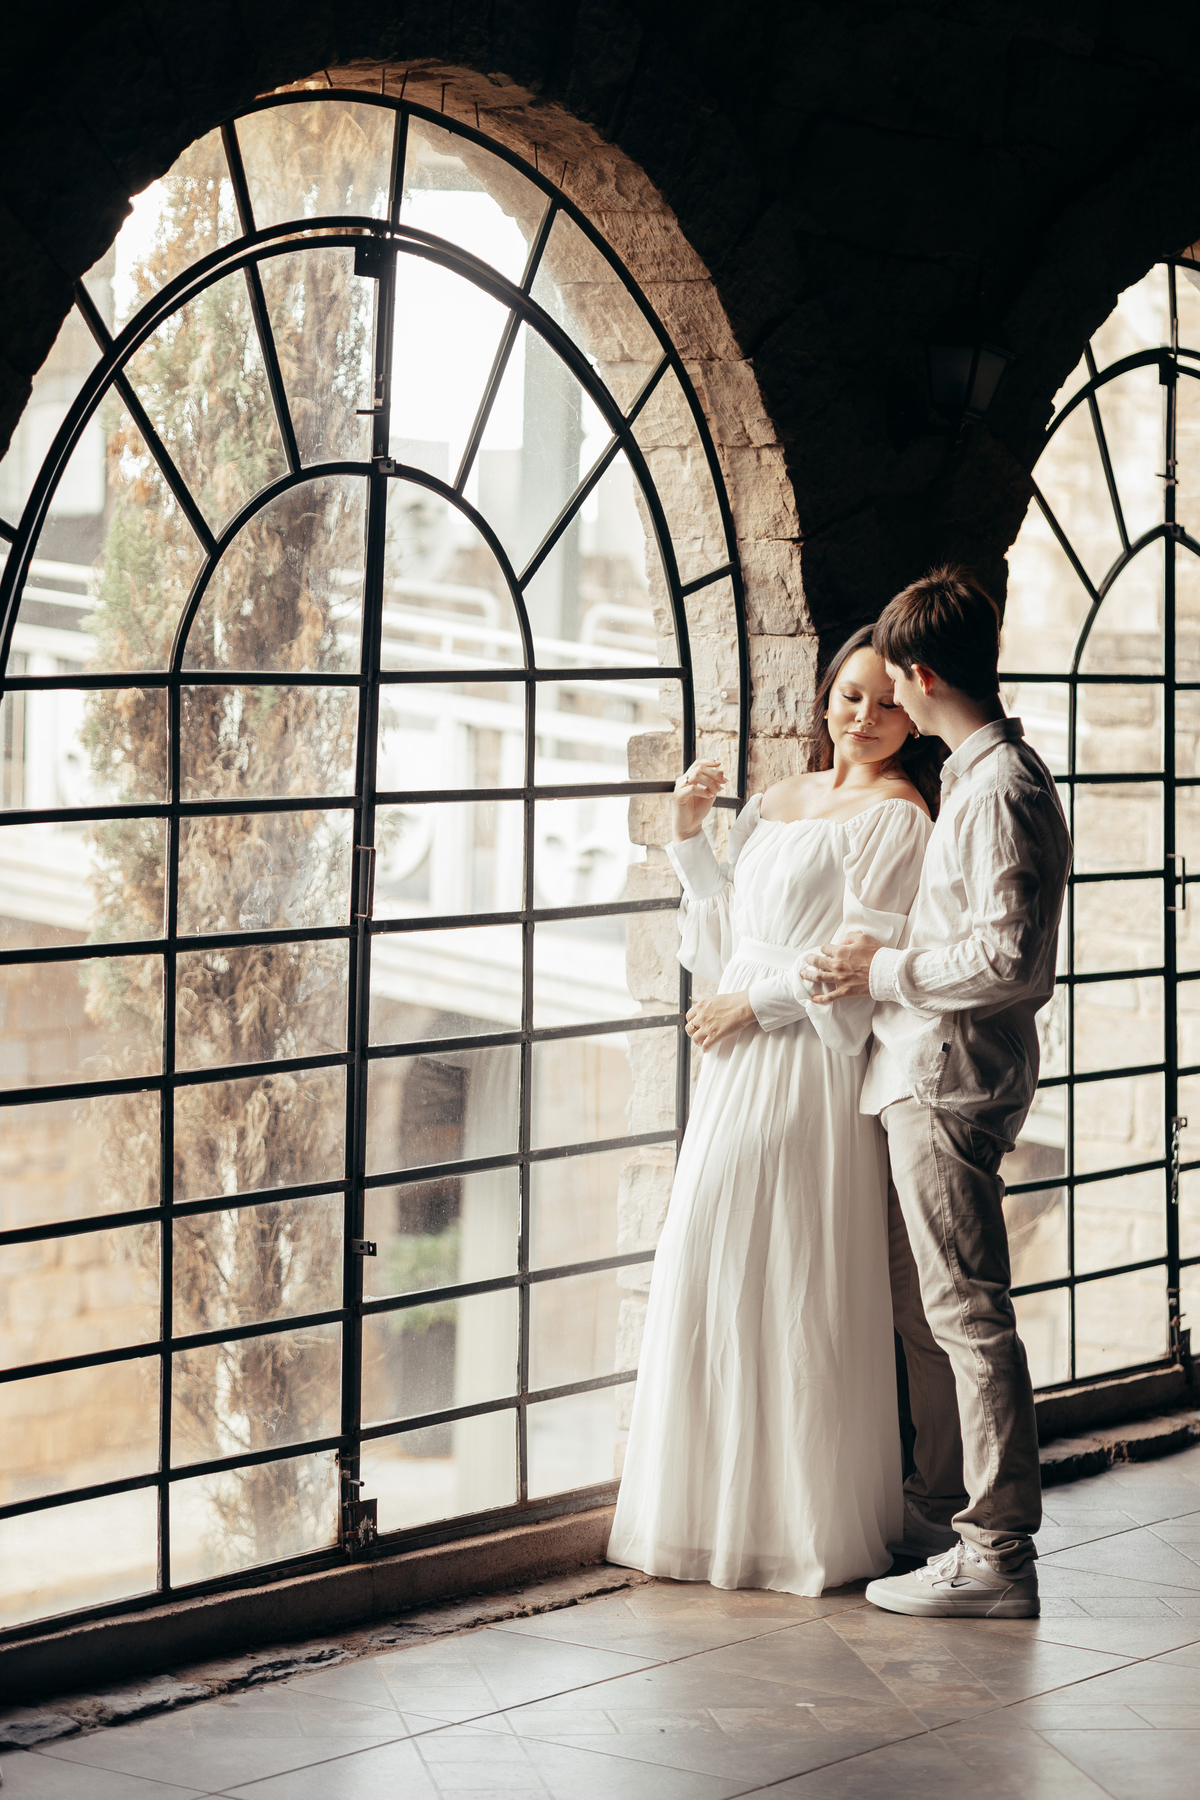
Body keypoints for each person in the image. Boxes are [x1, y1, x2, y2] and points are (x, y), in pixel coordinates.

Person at [606, 627, 939, 1596]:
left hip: (801, 1061)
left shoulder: (899, 818)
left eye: (884, 703)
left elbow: (859, 966)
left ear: (910, 712)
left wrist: (754, 1007)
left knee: (790, 1270)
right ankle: (708, 1512)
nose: (864, 719)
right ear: (824, 699)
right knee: (712, 1263)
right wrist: (686, 835)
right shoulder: (776, 803)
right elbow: (723, 941)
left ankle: (796, 1524)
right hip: (735, 1053)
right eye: (848, 697)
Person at [802, 566, 1071, 1620]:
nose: (886, 707)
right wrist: (894, 946)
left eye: (893, 686)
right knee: (940, 1312)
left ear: (919, 676)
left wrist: (885, 972)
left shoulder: (999, 786)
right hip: (929, 1070)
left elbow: (1010, 959)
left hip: (948, 1081)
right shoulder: (978, 774)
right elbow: (972, 933)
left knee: (968, 1315)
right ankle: (946, 1517)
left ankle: (997, 1551)